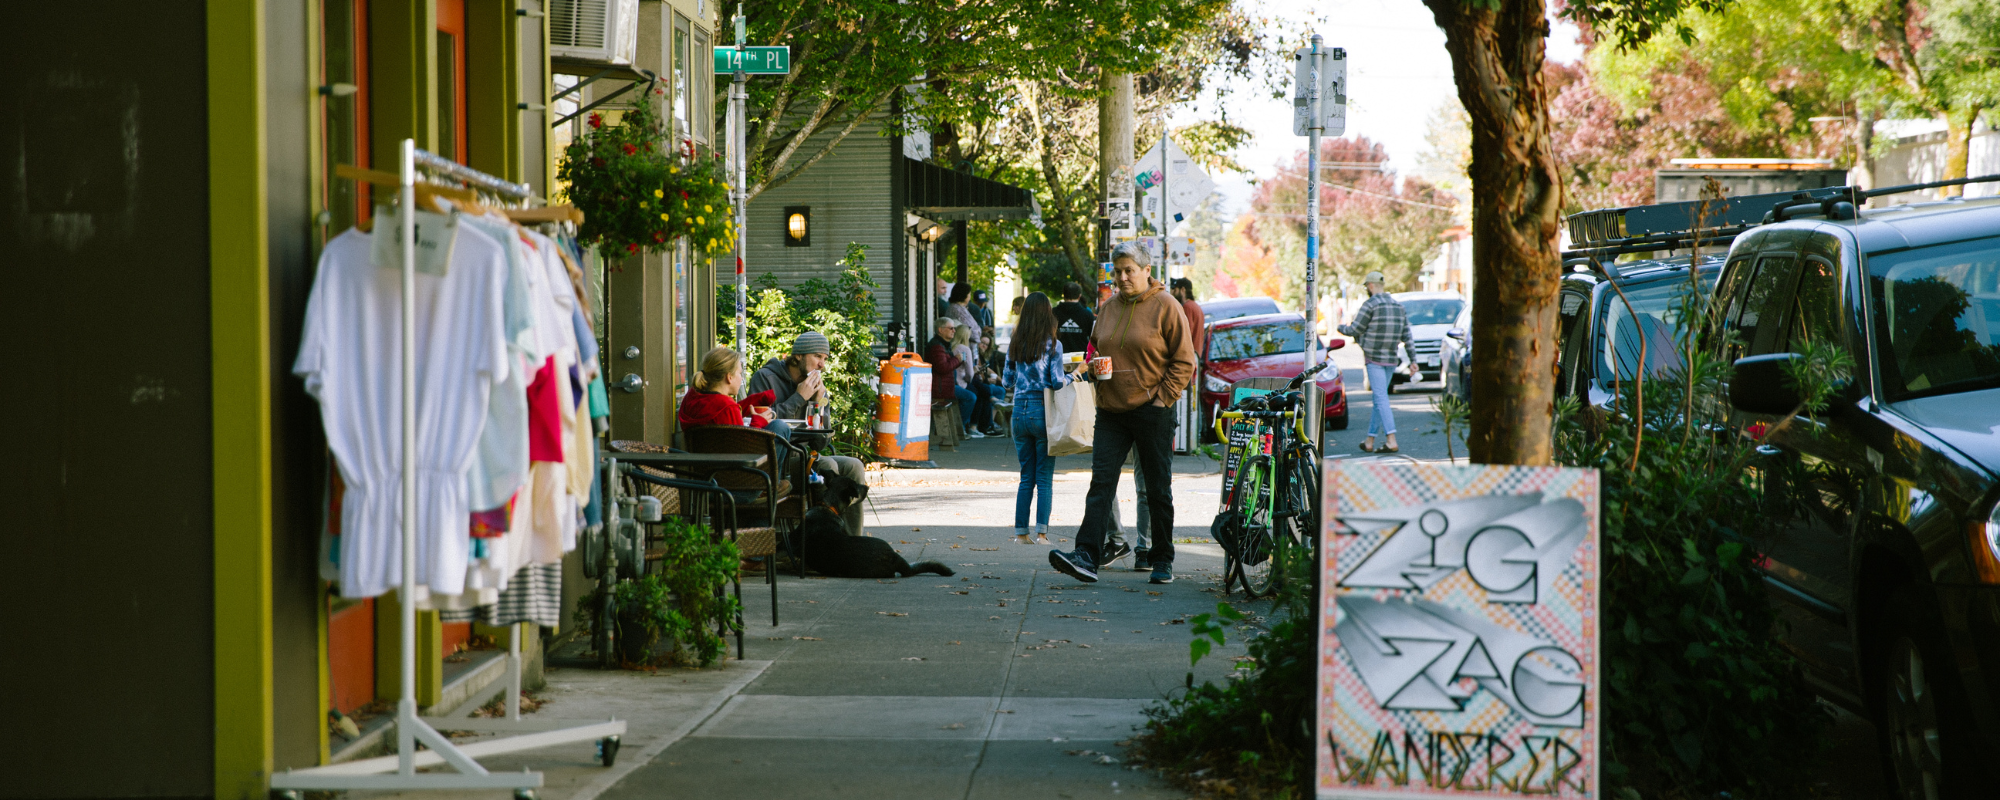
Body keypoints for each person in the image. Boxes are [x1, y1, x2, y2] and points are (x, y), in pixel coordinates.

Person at [1048, 242, 1197, 585]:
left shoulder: (1166, 306)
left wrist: (1162, 399)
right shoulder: (1109, 307)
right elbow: (1097, 346)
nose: (1123, 277)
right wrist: (1093, 368)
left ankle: (1161, 559)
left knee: (1157, 488)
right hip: (1112, 410)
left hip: (1152, 410)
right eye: (1118, 272)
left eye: (1129, 270)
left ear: (1147, 270)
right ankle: (1086, 555)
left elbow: (1184, 361)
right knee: (1101, 483)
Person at [745, 332, 870, 535]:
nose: (822, 365)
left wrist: (816, 405)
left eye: (825, 359)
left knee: (854, 466)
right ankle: (820, 541)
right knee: (827, 466)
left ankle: (851, 542)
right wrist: (798, 398)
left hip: (805, 455)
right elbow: (761, 427)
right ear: (798, 356)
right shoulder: (765, 378)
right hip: (776, 461)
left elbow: (820, 443)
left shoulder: (817, 387)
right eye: (818, 356)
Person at [1002, 293, 1086, 544]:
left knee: (1026, 476)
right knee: (1044, 478)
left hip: (1018, 413)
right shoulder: (1053, 344)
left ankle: (1020, 534)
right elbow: (1057, 382)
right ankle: (1041, 533)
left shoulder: (1015, 341)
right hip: (1042, 413)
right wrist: (1078, 373)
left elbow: (1007, 381)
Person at [1338, 270, 1418, 454]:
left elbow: (1355, 330)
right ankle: (1369, 440)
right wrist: (1413, 360)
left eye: (1367, 286)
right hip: (1391, 359)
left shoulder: (1370, 305)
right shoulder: (1398, 306)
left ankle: (1391, 439)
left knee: (1381, 398)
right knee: (1379, 399)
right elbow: (1407, 336)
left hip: (1374, 359)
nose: (1367, 289)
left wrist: (1340, 327)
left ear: (1371, 286)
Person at [927, 317, 981, 435]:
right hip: (941, 389)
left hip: (946, 386)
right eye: (951, 328)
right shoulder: (937, 347)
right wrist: (957, 359)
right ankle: (957, 427)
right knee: (970, 397)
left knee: (974, 394)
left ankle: (958, 427)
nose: (954, 331)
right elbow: (943, 368)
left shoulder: (944, 345)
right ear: (940, 330)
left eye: (954, 328)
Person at [952, 323, 998, 437]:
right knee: (977, 394)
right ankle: (973, 426)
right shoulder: (965, 349)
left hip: (953, 381)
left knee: (982, 390)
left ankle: (981, 424)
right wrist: (970, 377)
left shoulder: (951, 347)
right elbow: (969, 374)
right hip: (961, 382)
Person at [1053, 281, 1095, 357]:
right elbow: (1093, 339)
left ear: (1064, 295)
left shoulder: (1053, 313)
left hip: (1058, 358)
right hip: (1080, 359)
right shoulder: (1087, 315)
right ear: (1079, 296)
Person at [1169, 278, 1205, 364]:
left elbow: (1186, 333)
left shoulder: (1187, 307)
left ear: (1182, 290)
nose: (1173, 293)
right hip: (1196, 354)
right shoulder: (1196, 306)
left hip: (1188, 356)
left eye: (1175, 290)